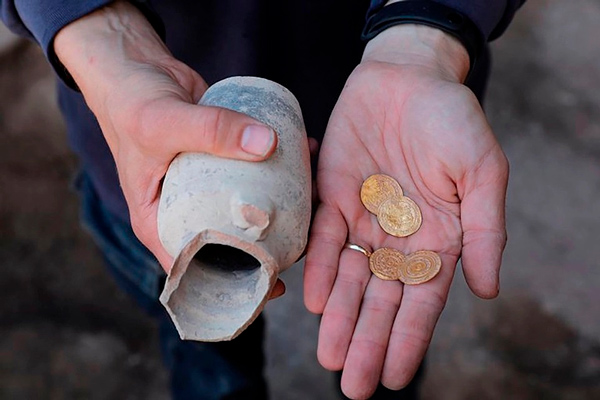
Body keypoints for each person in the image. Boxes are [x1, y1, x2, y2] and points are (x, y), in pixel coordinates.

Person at [0, 0, 525, 399]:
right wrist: (98, 29)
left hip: (393, 136)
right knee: (209, 356)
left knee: (377, 344)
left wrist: (427, 32)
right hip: (149, 144)